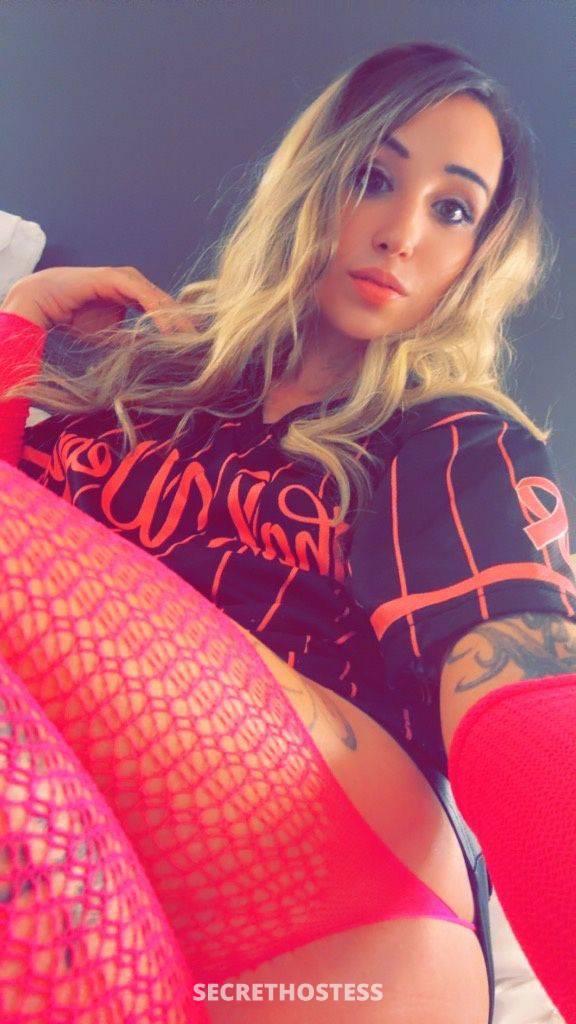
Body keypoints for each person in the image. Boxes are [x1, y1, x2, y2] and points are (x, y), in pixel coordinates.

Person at [0, 40, 575, 1024]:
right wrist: (14, 326)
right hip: (105, 861)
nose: (401, 233)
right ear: (312, 181)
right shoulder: (147, 382)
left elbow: (524, 698)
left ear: (479, 258)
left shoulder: (449, 438)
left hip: (343, 914)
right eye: (373, 177)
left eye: (452, 209)